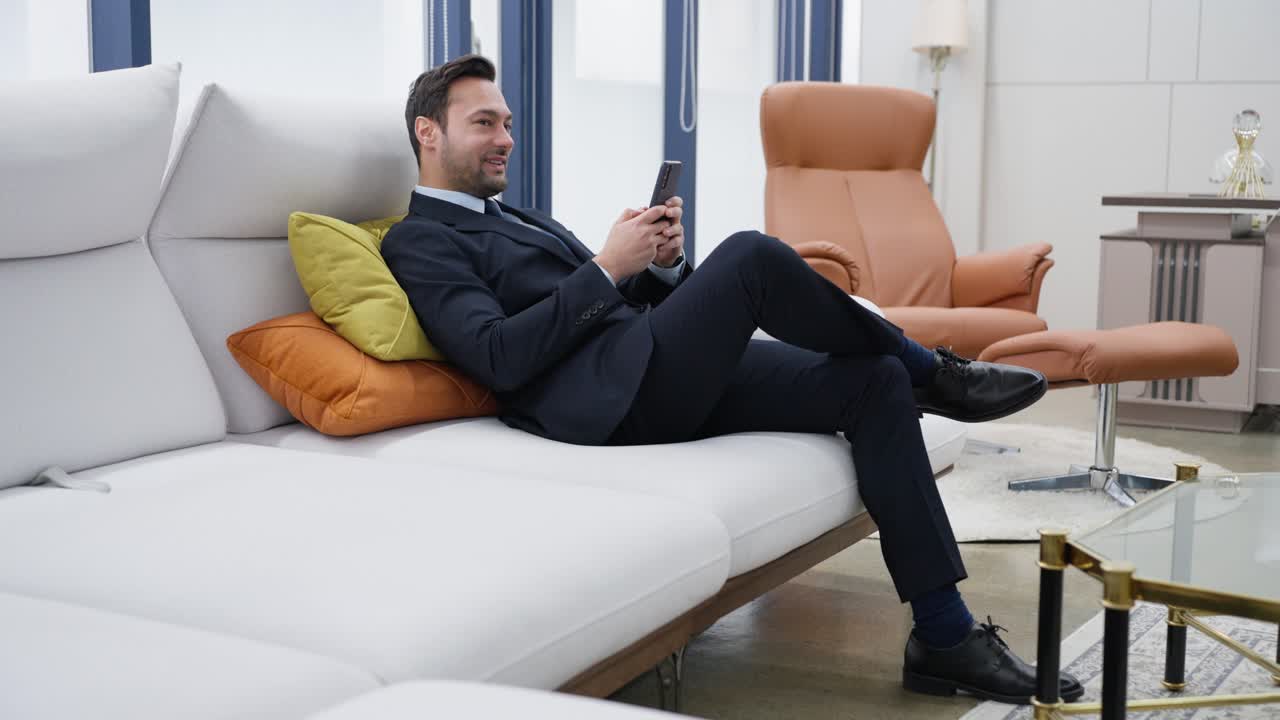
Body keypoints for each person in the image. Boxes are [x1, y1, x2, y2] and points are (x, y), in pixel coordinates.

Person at [381, 54, 1082, 705]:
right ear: (428, 133)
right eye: (484, 123)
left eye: (506, 121)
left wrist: (658, 267)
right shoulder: (420, 240)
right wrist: (606, 266)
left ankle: (944, 634)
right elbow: (497, 356)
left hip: (645, 364)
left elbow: (624, 305)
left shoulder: (519, 217)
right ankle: (936, 371)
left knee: (872, 380)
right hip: (603, 405)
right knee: (750, 255)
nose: (505, 136)